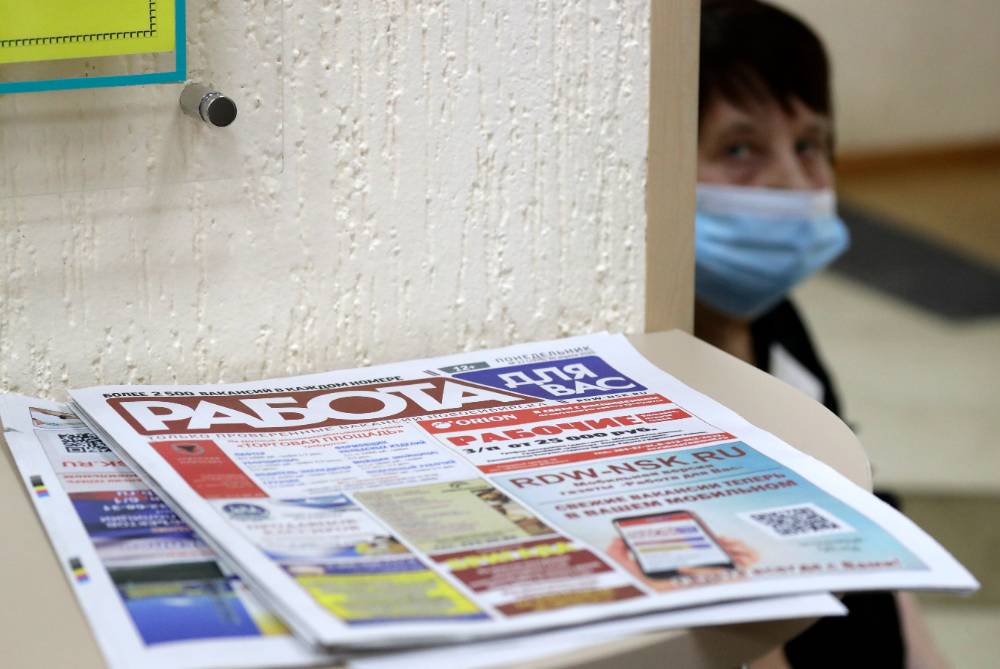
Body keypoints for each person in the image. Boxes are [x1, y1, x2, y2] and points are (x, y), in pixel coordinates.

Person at [693, 2, 949, 668]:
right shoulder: (655, 372)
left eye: (809, 146)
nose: (791, 180)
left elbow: (863, 511)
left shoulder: (776, 319)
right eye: (740, 149)